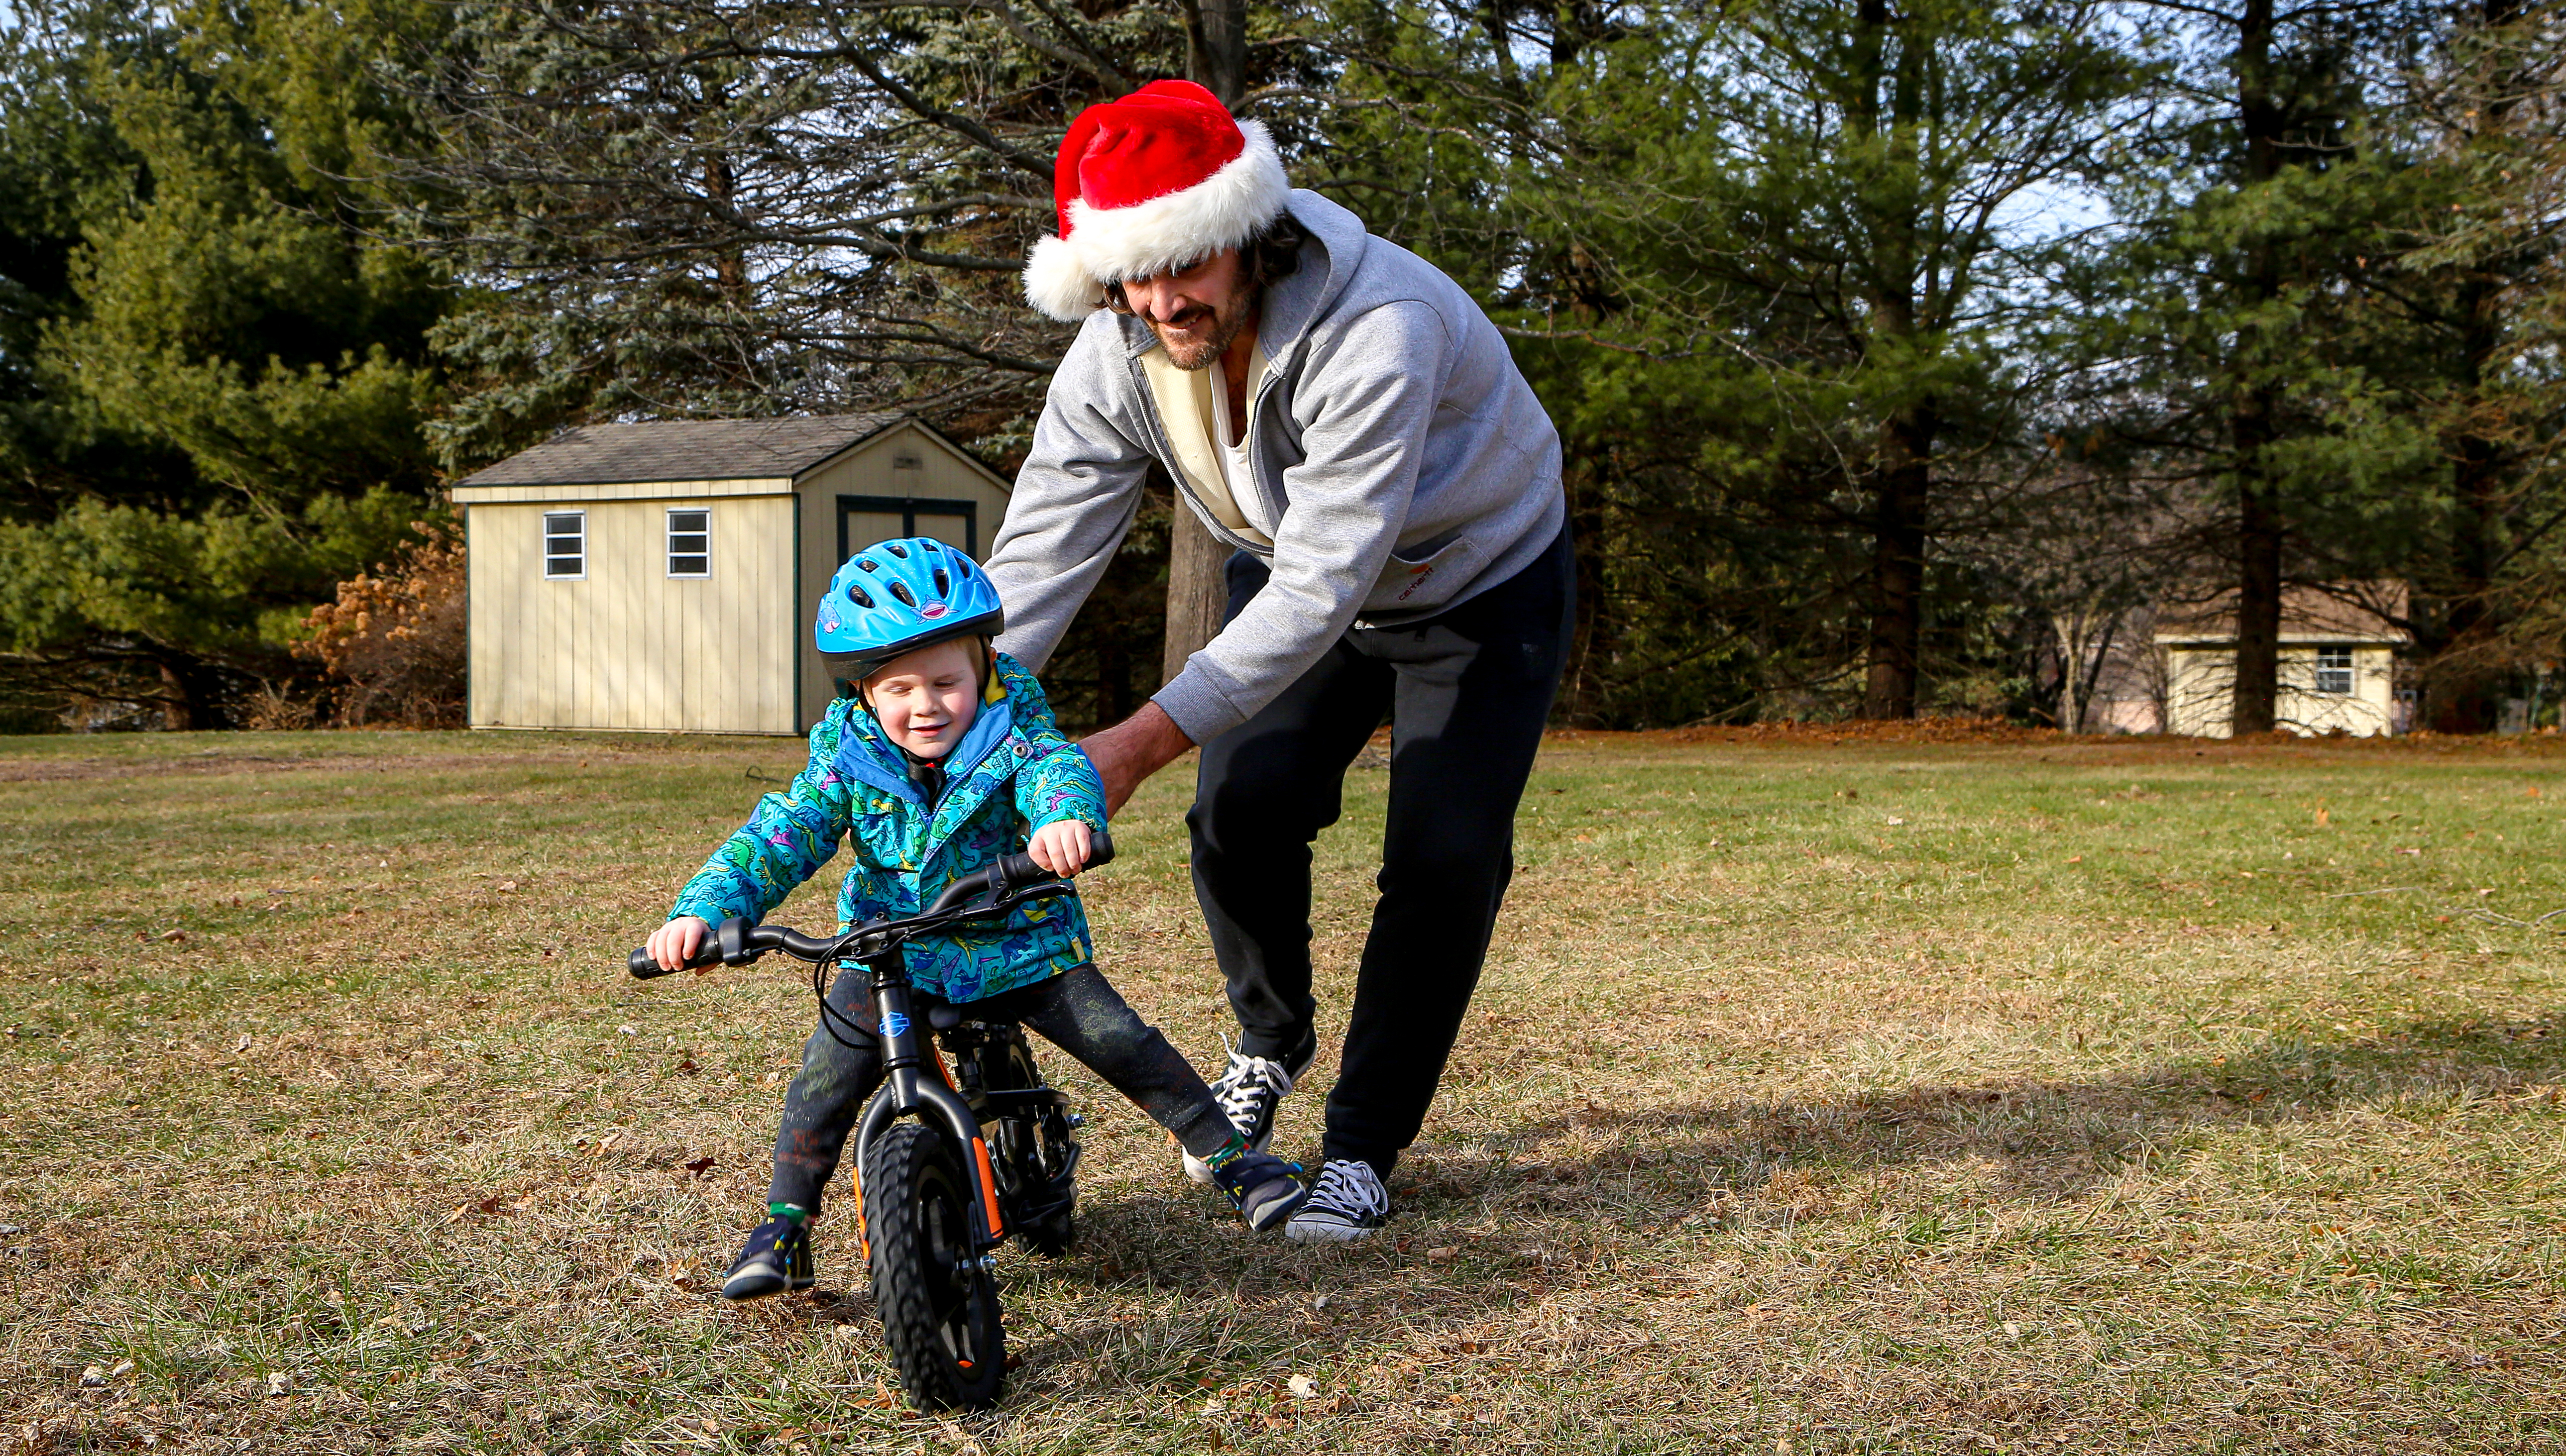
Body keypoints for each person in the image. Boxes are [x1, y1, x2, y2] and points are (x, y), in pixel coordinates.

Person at [982, 81, 1573, 1242]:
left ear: (1251, 228)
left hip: (1479, 579)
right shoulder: (1118, 348)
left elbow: (1323, 581)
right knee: (1239, 807)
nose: (1163, 297)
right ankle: (1269, 1037)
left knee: (1444, 856)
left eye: (1189, 260)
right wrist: (953, 699)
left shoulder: (1378, 321)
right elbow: (1045, 539)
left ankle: (1361, 1145)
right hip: (1300, 569)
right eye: (1134, 274)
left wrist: (1137, 740)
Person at [643, 538, 1309, 1300]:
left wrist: (1065, 819)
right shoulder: (845, 758)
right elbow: (778, 835)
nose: (925, 704)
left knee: (1116, 1035)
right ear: (863, 693)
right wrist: (703, 912)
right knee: (826, 1076)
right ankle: (786, 1223)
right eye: (899, 688)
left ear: (985, 667)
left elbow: (1055, 768)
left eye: (945, 681)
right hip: (891, 951)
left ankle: (1235, 1161)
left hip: (1017, 935)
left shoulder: (1013, 726)